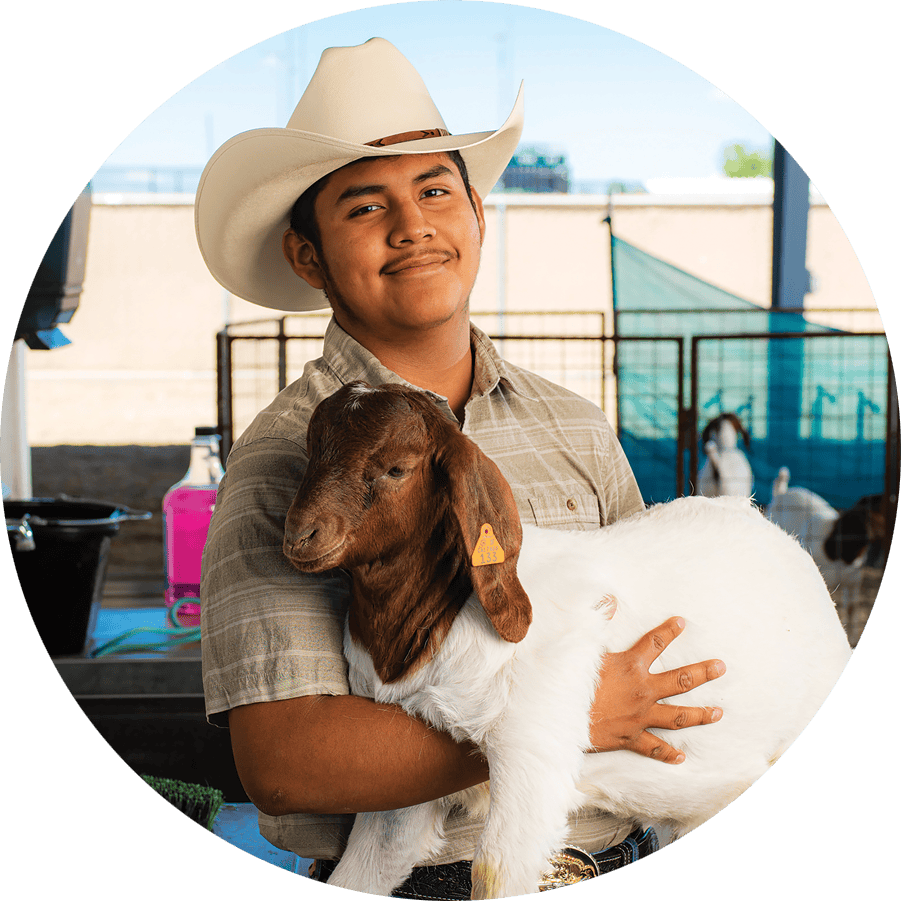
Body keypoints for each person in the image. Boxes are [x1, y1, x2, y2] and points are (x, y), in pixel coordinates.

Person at [195, 37, 725, 895]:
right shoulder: (282, 460)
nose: (413, 226)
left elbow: (649, 647)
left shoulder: (573, 425)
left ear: (476, 212)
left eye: (435, 190)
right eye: (365, 208)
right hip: (422, 878)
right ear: (307, 257)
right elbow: (288, 762)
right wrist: (564, 719)